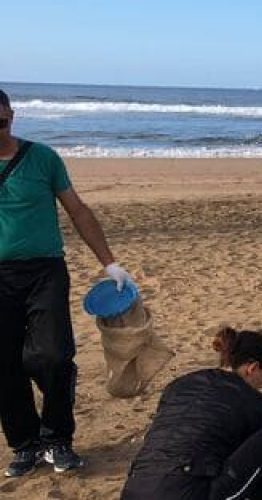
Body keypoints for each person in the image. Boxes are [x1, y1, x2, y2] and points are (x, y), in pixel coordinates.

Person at [0, 88, 136, 476]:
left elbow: (77, 209)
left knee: (55, 355)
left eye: (1, 120)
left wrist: (110, 264)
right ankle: (25, 444)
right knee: (4, 364)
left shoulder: (42, 158)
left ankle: (58, 438)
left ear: (12, 115)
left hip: (45, 270)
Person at [121, 327, 262, 499]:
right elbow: (252, 469)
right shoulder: (253, 401)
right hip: (186, 492)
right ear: (252, 368)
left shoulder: (178, 385)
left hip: (135, 489)